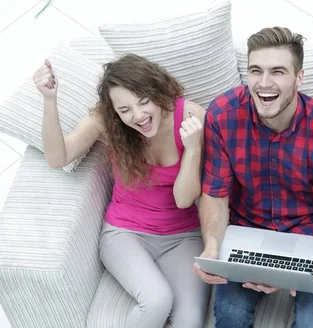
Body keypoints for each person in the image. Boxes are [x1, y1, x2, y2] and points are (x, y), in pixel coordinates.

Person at [192, 26, 313, 328]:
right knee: (230, 315)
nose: (264, 83)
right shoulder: (222, 114)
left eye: (278, 72)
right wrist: (212, 246)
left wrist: (291, 268)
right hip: (248, 232)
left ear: (299, 77)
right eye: (256, 71)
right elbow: (215, 195)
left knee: (312, 323)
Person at [33, 54, 210, 328]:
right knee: (157, 299)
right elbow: (58, 157)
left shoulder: (191, 117)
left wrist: (194, 148)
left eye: (143, 102)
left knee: (190, 320)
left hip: (182, 236)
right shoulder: (104, 121)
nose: (138, 116)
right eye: (125, 110)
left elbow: (184, 199)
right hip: (125, 233)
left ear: (158, 92)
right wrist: (48, 100)